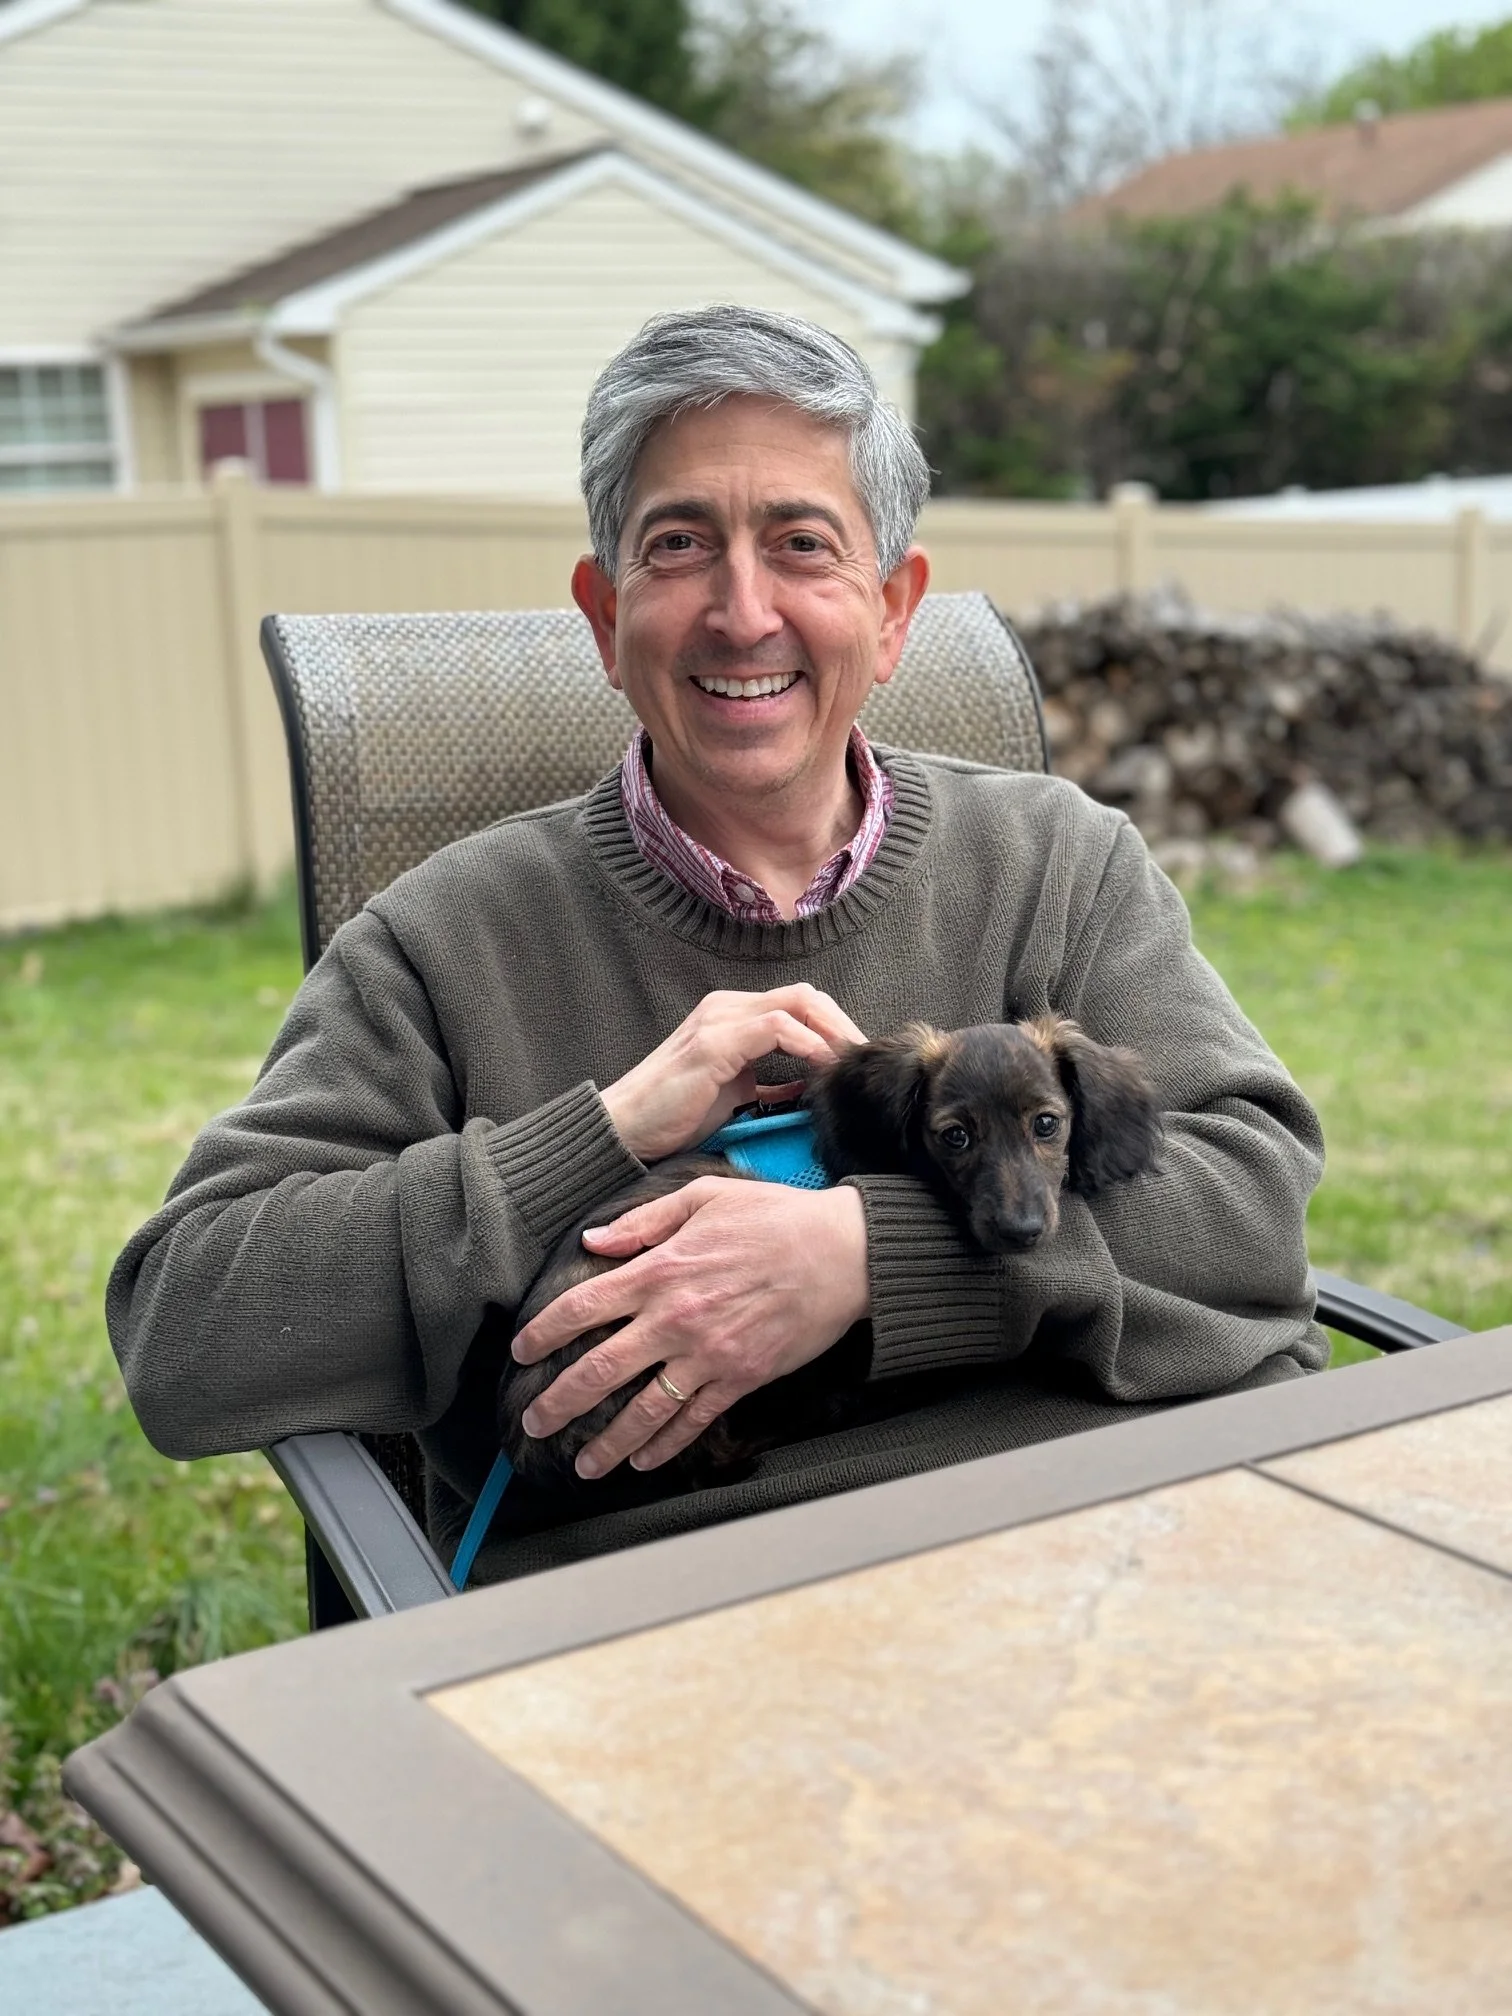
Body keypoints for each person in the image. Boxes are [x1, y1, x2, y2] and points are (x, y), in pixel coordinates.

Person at [106, 306, 1326, 1582]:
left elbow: (1258, 1212)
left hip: (1130, 1526)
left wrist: (870, 1259)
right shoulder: (440, 942)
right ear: (603, 611)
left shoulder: (1060, 862)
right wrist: (593, 1140)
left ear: (894, 608)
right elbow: (187, 1334)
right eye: (680, 545)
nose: (744, 614)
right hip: (696, 1601)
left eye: (803, 544)